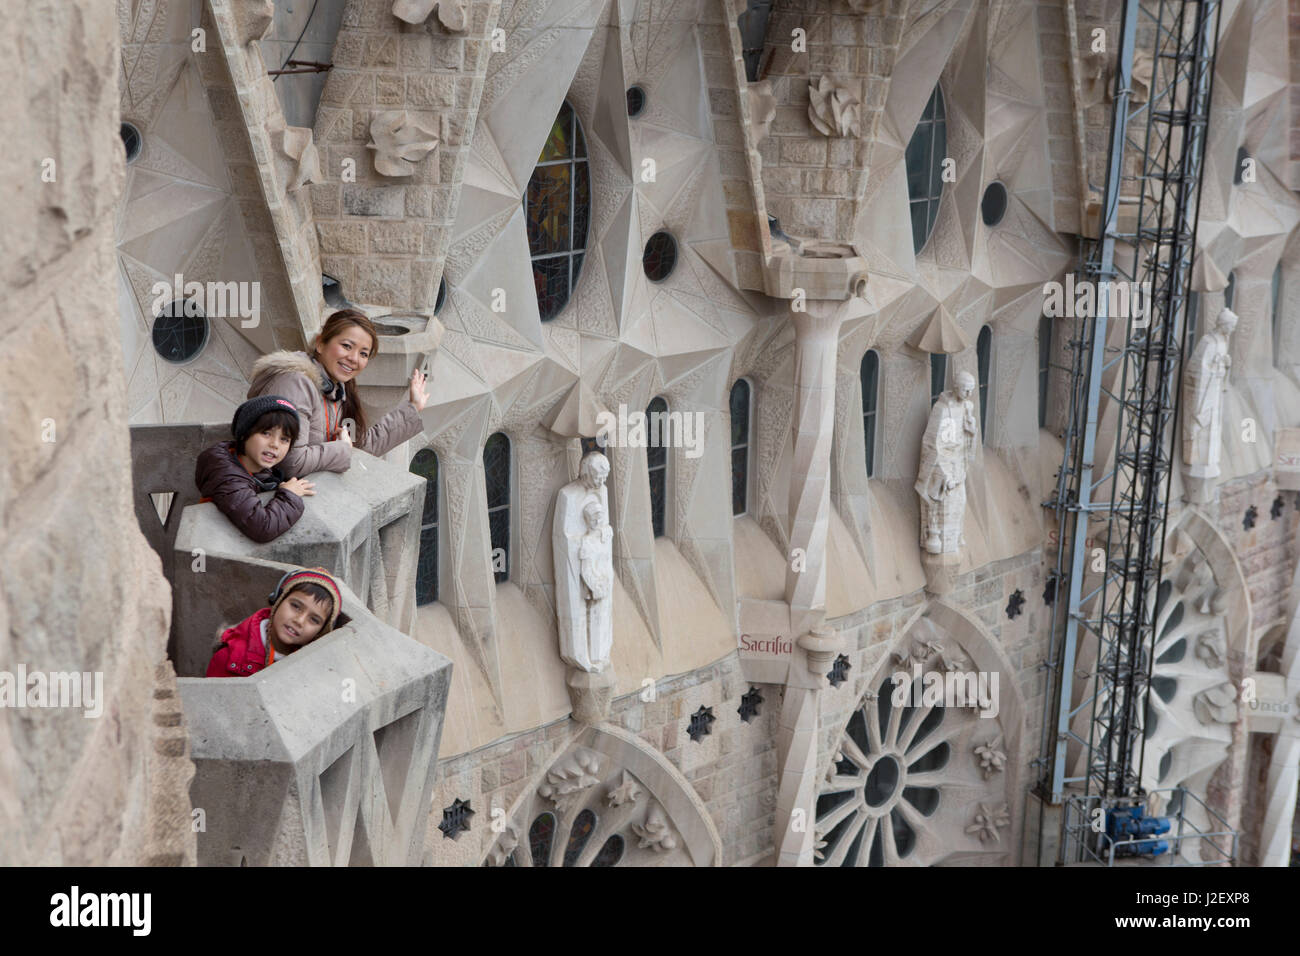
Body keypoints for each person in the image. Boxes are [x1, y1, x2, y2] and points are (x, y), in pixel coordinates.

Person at [246, 309, 429, 477]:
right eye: (347, 346)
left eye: (364, 354)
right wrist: (341, 450)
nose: (354, 359)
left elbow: (362, 446)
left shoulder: (337, 391)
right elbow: (291, 462)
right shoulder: (296, 383)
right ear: (320, 343)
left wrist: (412, 408)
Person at [195, 395, 316, 544]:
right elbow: (263, 528)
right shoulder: (228, 478)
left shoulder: (256, 469)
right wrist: (289, 496)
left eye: (284, 439)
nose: (275, 444)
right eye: (266, 433)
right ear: (245, 433)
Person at [206, 568, 344, 677]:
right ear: (278, 600)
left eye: (314, 619)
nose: (299, 621)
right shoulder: (228, 660)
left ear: (321, 632)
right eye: (296, 606)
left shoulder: (313, 667)